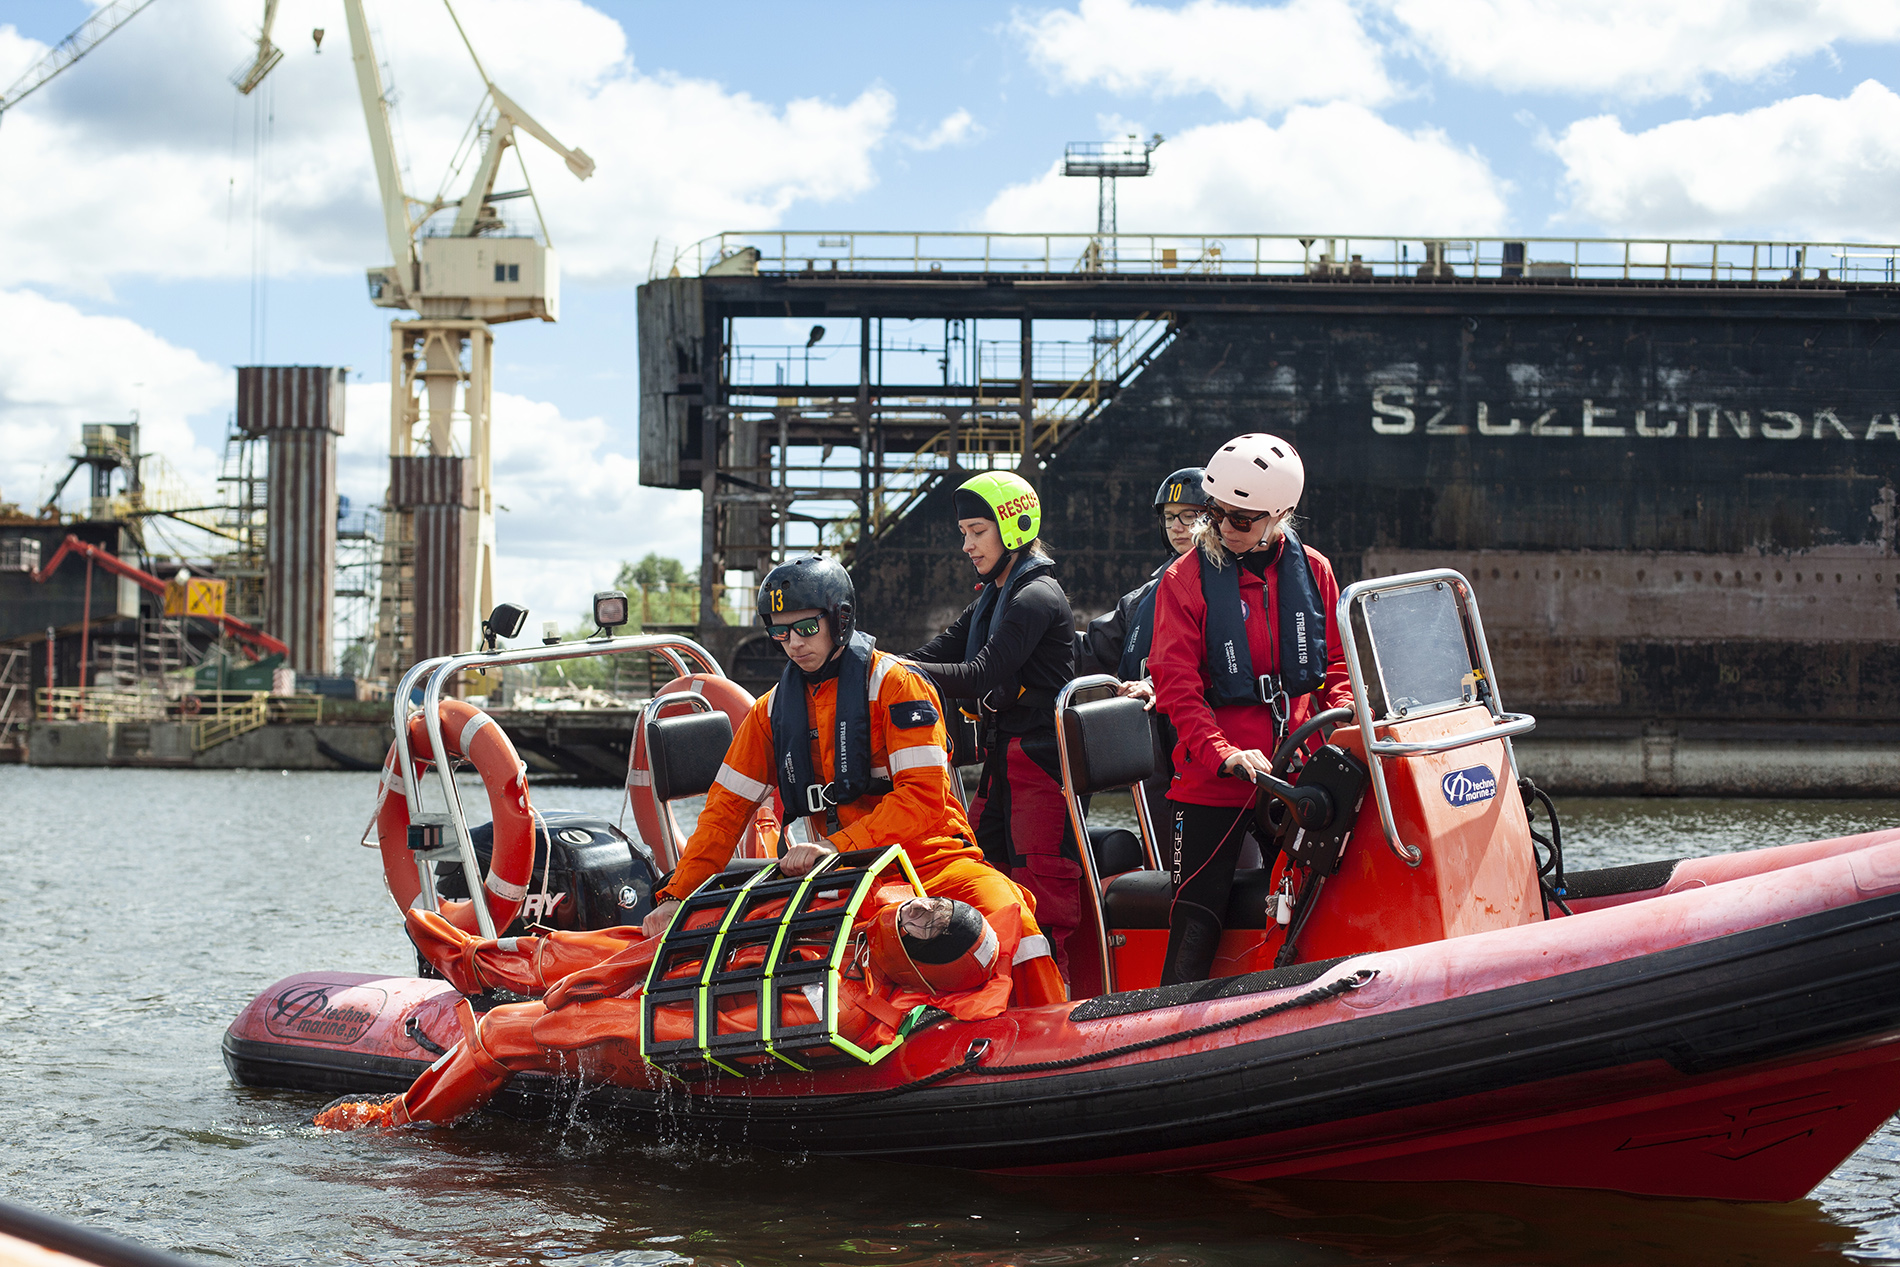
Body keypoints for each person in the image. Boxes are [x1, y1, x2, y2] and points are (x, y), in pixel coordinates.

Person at [641, 552, 1065, 1003]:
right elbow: (724, 813)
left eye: (805, 628)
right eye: (779, 632)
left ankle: (1051, 1026)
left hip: (933, 863)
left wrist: (831, 848)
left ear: (839, 619)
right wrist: (675, 897)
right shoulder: (769, 714)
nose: (793, 643)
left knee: (1009, 911)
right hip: (841, 879)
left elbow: (923, 801)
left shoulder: (897, 687)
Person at [1148, 434, 1351, 985]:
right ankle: (1168, 1038)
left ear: (1279, 515)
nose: (1220, 528)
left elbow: (1335, 669)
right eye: (1214, 515)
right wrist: (1224, 752)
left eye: (1239, 520)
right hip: (1214, 781)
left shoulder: (1315, 572)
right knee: (1196, 920)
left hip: (1295, 774)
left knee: (1317, 903)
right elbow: (1176, 686)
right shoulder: (1183, 581)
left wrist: (1342, 727)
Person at [904, 470, 1083, 979]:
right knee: (979, 866)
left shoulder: (1036, 597)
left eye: (977, 531)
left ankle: (1057, 993)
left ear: (1014, 527)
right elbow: (935, 653)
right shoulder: (990, 596)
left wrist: (896, 672)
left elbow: (980, 673)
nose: (967, 545)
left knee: (1040, 880)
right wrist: (874, 668)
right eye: (964, 533)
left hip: (1042, 759)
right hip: (1002, 757)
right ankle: (998, 985)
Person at [1074, 467, 1207, 831]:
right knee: (1160, 845)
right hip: (1152, 745)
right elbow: (1094, 647)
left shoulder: (1228, 589)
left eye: (1189, 516)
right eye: (1169, 517)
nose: (1177, 526)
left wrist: (1155, 683)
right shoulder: (1144, 597)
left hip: (1201, 741)